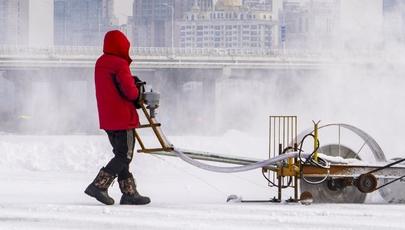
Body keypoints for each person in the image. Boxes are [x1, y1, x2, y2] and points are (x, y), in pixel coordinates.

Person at [84, 30, 150, 205]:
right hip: (123, 119)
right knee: (124, 156)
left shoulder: (101, 62)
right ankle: (99, 186)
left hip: (108, 119)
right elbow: (130, 92)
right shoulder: (120, 64)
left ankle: (129, 193)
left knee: (120, 155)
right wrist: (138, 90)